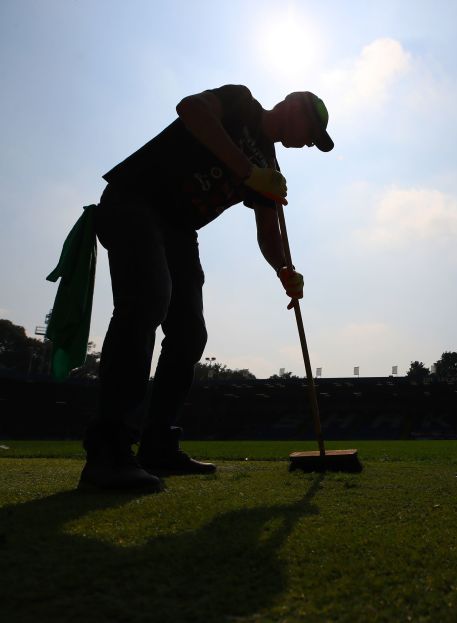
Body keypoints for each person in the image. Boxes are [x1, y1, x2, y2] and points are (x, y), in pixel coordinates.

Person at [80, 85, 334, 491]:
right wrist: (248, 172)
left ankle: (157, 445)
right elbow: (191, 109)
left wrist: (284, 268)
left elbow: (269, 232)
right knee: (146, 302)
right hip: (135, 200)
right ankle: (107, 452)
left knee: (188, 333)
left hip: (179, 229)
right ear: (292, 107)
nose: (307, 144)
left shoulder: (269, 166)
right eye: (311, 132)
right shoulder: (240, 102)